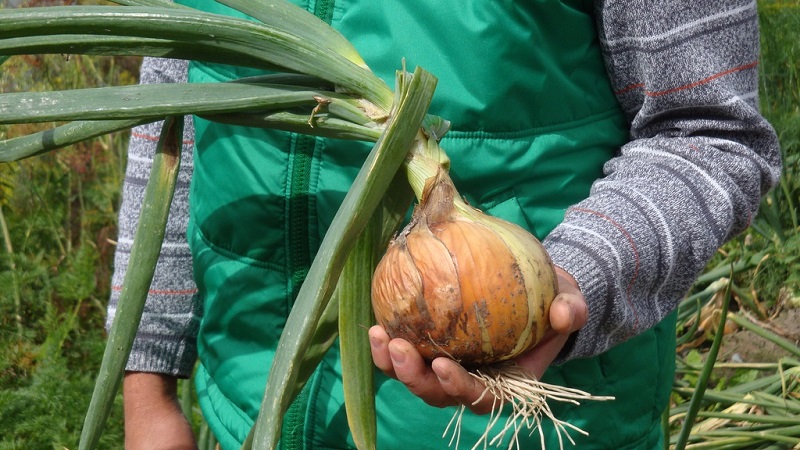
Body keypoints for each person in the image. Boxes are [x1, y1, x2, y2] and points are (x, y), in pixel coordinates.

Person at [107, 1, 782, 449]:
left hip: (521, 423)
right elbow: (177, 89)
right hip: (252, 407)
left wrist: (566, 284)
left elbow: (707, 133)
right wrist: (147, 380)